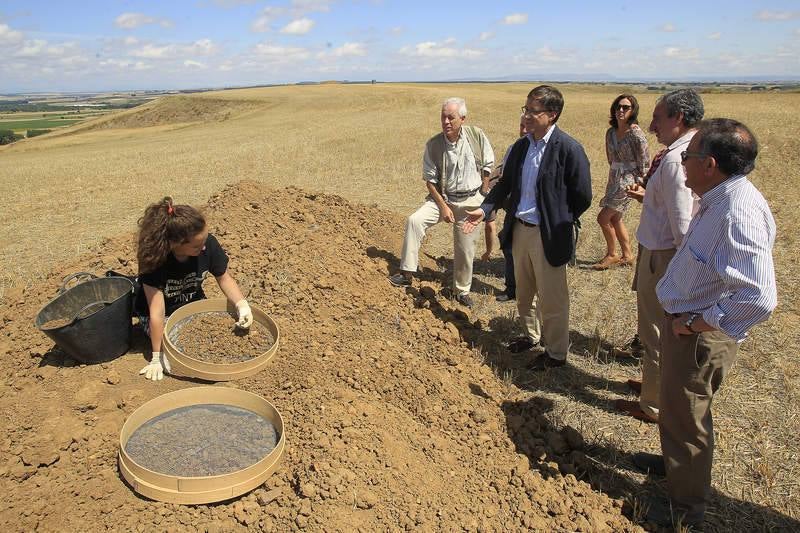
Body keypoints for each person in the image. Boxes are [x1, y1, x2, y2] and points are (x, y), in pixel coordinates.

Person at [633, 118, 777, 528]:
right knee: (678, 411)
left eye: (689, 157)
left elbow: (760, 297)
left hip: (697, 338)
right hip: (686, 326)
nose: (683, 164)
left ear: (709, 164)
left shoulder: (737, 212)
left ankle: (685, 509)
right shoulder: (719, 199)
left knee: (688, 418)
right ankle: (674, 466)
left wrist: (698, 323)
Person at [463, 85, 592, 370]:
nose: (527, 116)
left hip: (548, 234)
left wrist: (558, 218)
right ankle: (531, 336)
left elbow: (582, 196)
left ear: (552, 115)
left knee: (552, 298)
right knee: (523, 291)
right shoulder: (521, 147)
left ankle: (556, 354)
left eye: (533, 111)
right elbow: (505, 185)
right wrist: (485, 209)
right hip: (519, 229)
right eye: (525, 110)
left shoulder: (569, 149)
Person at [615, 89, 703, 423]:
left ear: (678, 118)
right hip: (662, 253)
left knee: (654, 332)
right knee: (657, 330)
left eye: (657, 117)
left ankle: (651, 404)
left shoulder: (676, 160)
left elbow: (682, 224)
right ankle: (654, 382)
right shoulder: (685, 152)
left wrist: (681, 272)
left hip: (664, 257)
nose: (651, 126)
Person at [388, 97, 494, 308]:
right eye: (443, 117)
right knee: (414, 221)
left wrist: (483, 192)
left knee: (465, 248)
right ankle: (407, 272)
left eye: (451, 117)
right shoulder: (434, 145)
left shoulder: (477, 136)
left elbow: (488, 165)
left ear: (462, 119)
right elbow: (430, 182)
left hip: (471, 200)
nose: (446, 122)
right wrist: (444, 206)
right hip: (442, 199)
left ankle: (461, 291)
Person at [135, 197, 253, 381]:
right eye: (197, 245)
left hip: (192, 302)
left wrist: (241, 304)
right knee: (181, 350)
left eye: (205, 240)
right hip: (161, 314)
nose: (204, 247)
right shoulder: (155, 260)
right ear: (176, 244)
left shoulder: (208, 245)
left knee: (216, 333)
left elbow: (223, 277)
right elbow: (157, 313)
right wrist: (156, 356)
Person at [591, 94, 649, 270]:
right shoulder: (610, 132)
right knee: (616, 218)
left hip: (628, 181)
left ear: (633, 111)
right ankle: (628, 255)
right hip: (613, 176)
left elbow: (645, 162)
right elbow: (610, 158)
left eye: (626, 107)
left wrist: (641, 184)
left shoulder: (636, 134)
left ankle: (612, 254)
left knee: (603, 218)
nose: (621, 110)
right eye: (618, 107)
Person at [482, 114, 526, 302]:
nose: (523, 129)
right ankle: (512, 289)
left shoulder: (551, 150)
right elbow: (505, 180)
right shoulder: (513, 149)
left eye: (527, 125)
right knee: (508, 244)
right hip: (514, 208)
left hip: (535, 215)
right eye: (521, 125)